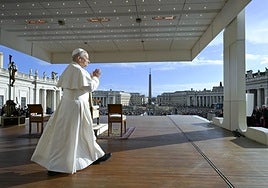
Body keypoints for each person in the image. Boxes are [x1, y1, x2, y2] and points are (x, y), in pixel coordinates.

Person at [31, 48, 111, 176]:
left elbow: (80, 85)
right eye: (87, 59)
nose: (88, 62)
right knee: (70, 136)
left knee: (83, 134)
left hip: (71, 106)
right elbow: (89, 87)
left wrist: (90, 77)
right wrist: (95, 78)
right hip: (75, 108)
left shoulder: (72, 69)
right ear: (79, 58)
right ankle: (57, 166)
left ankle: (95, 155)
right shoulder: (78, 70)